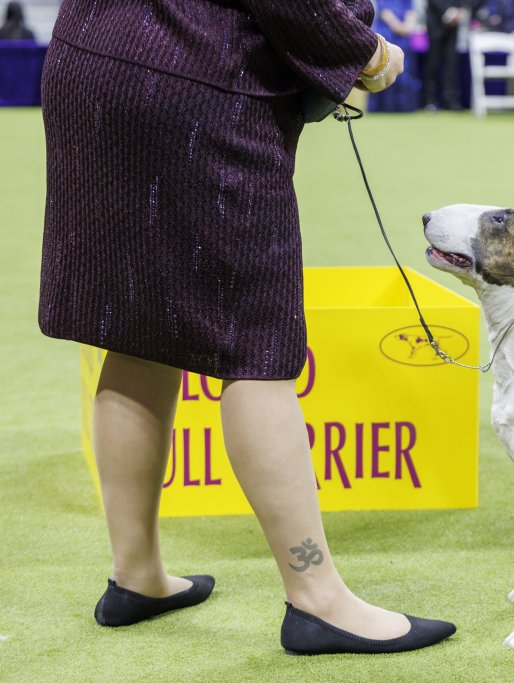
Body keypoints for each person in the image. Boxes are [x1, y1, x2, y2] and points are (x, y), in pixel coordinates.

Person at [39, 0, 456, 656]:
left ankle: (137, 573)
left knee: (133, 323)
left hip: (89, 63)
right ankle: (317, 597)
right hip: (193, 86)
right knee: (257, 344)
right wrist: (366, 51)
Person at [369, 0, 423, 112]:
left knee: (405, 70)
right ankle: (385, 107)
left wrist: (408, 26)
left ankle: (404, 106)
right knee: (385, 68)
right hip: (387, 32)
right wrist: (397, 26)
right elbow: (383, 11)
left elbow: (411, 9)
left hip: (405, 35)